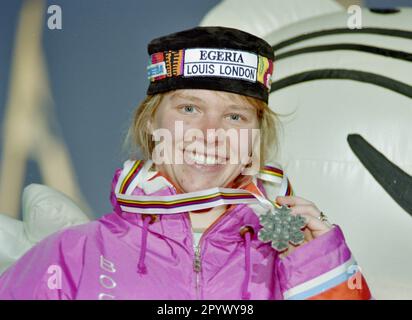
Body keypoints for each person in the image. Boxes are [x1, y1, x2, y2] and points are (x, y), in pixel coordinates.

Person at [0, 26, 371, 300]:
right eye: (189, 108)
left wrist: (321, 270)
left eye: (235, 117)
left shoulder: (300, 257)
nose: (209, 132)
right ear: (150, 121)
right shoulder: (74, 254)